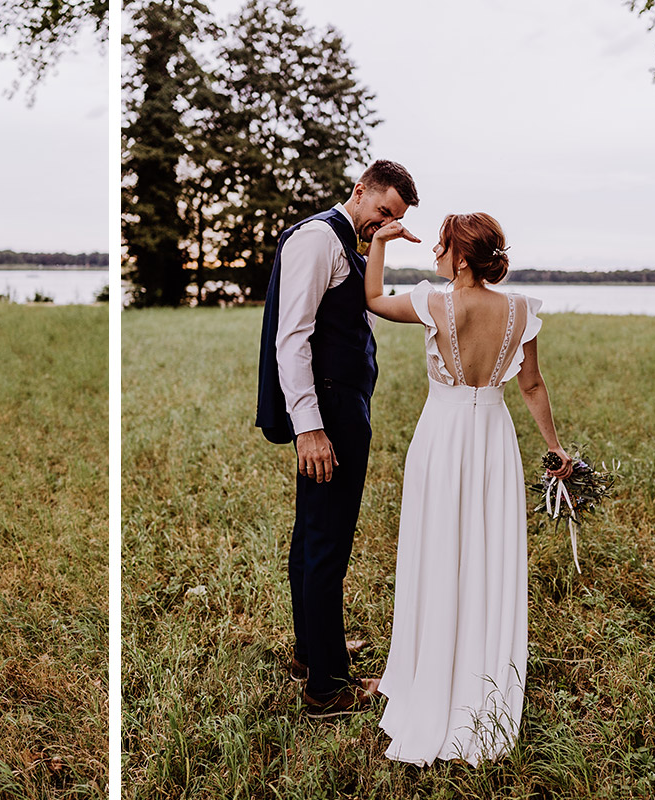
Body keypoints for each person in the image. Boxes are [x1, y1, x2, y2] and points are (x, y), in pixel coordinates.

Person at [362, 212, 573, 764]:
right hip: (493, 440)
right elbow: (530, 384)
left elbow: (372, 298)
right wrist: (556, 450)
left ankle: (429, 681)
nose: (435, 248)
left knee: (438, 555)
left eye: (443, 243)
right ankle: (481, 685)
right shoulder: (522, 309)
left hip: (442, 437)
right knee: (488, 556)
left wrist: (379, 242)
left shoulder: (433, 303)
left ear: (461, 257)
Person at [255, 160, 419, 717]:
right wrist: (310, 427)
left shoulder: (351, 242)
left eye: (394, 218)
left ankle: (312, 649)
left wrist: (380, 243)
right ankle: (328, 687)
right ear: (359, 191)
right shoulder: (317, 240)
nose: (385, 223)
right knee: (327, 542)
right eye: (382, 211)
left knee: (315, 535)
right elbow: (292, 337)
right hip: (326, 414)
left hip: (343, 407)